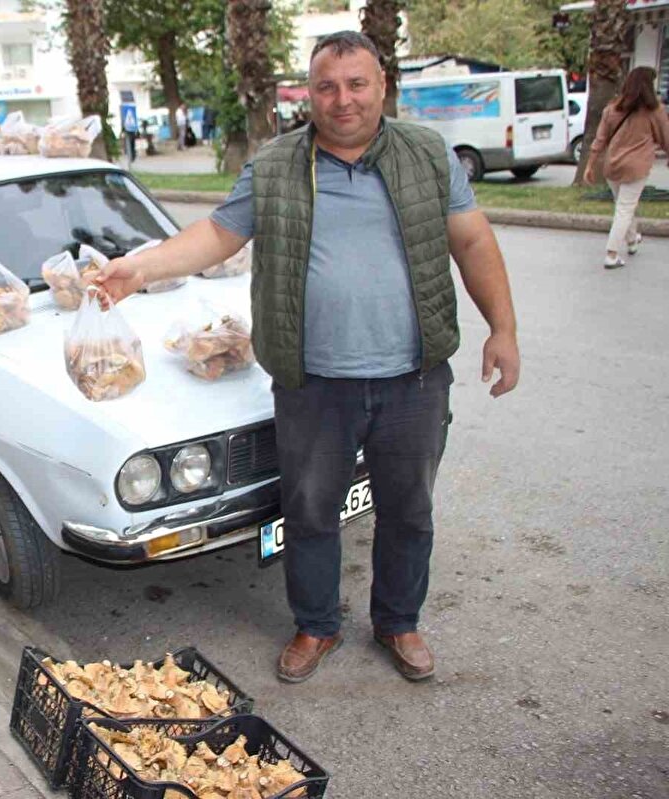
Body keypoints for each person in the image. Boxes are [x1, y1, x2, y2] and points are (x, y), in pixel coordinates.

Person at [94, 31, 520, 684]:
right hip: (314, 384)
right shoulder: (275, 165)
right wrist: (137, 269)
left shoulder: (426, 154)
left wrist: (503, 328)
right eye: (327, 86)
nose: (342, 99)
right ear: (309, 92)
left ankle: (399, 620)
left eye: (356, 84)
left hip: (412, 381)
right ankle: (316, 625)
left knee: (409, 510)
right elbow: (215, 235)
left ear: (381, 86)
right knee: (311, 511)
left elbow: (471, 239)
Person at [583, 66, 669, 269]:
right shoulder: (655, 111)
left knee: (624, 205)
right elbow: (665, 137)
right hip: (637, 167)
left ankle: (632, 241)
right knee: (625, 208)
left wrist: (590, 165)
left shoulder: (612, 109)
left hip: (612, 166)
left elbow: (600, 140)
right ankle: (611, 254)